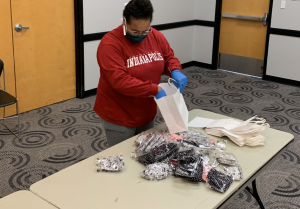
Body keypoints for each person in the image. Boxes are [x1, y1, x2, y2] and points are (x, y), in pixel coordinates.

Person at [94, 0, 188, 147]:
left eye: (145, 31)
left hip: (146, 112)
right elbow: (119, 81)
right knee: (123, 156)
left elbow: (168, 57)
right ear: (124, 21)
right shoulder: (110, 44)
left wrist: (175, 70)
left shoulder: (155, 36)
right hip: (119, 115)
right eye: (135, 31)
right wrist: (154, 89)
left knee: (146, 153)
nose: (140, 35)